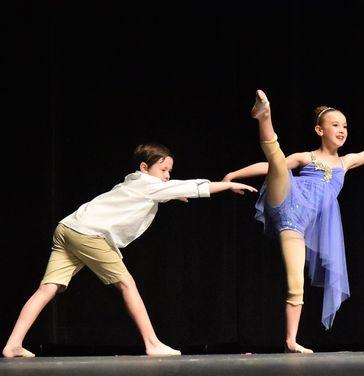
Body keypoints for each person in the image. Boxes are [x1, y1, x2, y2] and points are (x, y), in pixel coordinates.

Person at [2, 142, 257, 358]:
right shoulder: (147, 184)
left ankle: (13, 343)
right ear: (145, 168)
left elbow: (155, 193)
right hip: (89, 233)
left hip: (68, 227)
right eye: (163, 169)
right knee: (127, 284)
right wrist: (226, 185)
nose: (167, 175)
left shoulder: (133, 183)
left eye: (170, 171)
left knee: (47, 288)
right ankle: (152, 343)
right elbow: (191, 186)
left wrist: (169, 194)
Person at [223, 89, 364, 353]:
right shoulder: (305, 157)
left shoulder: (346, 162)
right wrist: (232, 175)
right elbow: (270, 167)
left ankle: (290, 341)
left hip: (295, 225)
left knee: (296, 282)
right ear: (320, 130)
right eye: (335, 125)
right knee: (277, 160)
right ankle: (264, 116)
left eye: (345, 126)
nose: (342, 130)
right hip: (285, 198)